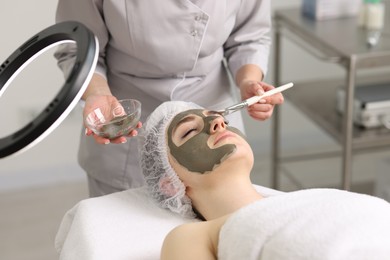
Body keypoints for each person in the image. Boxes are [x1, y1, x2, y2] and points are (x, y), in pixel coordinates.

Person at [54, 0, 283, 197]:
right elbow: (79, 49)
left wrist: (248, 81)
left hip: (209, 99)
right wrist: (98, 93)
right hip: (127, 117)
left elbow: (249, 38)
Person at [139, 101, 390, 260]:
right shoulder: (191, 237)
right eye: (190, 131)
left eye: (220, 118)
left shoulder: (312, 200)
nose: (217, 122)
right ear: (170, 184)